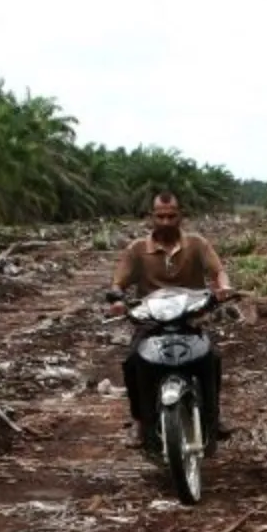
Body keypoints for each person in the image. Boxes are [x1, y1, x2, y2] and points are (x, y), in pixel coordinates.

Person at [106, 190, 232, 452]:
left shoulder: (196, 244)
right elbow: (119, 282)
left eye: (171, 216)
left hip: (190, 319)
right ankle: (141, 422)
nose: (165, 222)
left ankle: (213, 417)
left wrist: (224, 288)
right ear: (152, 217)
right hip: (151, 322)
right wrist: (117, 300)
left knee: (212, 359)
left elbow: (218, 270)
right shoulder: (138, 249)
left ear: (180, 216)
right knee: (133, 363)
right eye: (160, 216)